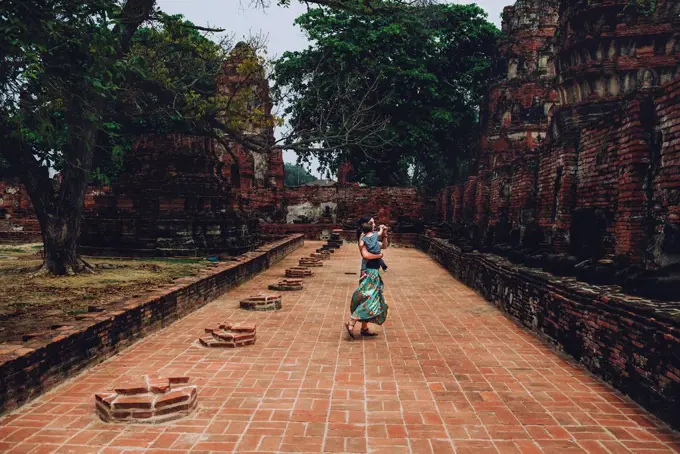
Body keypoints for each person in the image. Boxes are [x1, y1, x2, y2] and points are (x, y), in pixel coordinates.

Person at [345, 222, 389, 339]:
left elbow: (384, 246)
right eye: (373, 224)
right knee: (369, 298)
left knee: (367, 297)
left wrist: (384, 235)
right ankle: (352, 321)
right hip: (369, 273)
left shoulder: (370, 240)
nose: (374, 226)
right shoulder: (363, 241)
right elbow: (366, 255)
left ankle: (364, 328)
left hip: (374, 271)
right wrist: (379, 256)